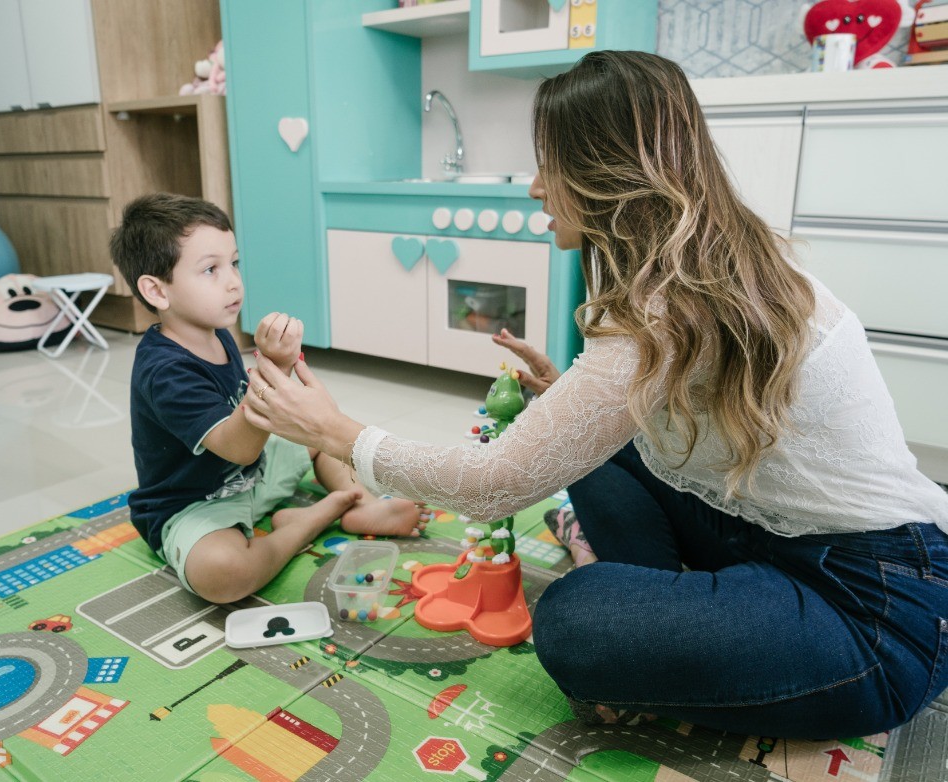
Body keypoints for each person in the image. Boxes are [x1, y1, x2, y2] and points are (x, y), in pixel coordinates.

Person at [240, 52, 948, 739]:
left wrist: (335, 431)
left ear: (606, 172)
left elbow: (495, 485)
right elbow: (659, 412)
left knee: (574, 621)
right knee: (595, 455)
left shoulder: (668, 313)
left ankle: (659, 626)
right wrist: (567, 400)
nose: (535, 187)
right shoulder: (704, 273)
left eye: (549, 164)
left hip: (879, 616)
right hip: (772, 539)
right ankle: (686, 621)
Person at [109, 193, 425, 605]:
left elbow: (255, 434)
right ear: (157, 291)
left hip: (253, 474)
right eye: (210, 269)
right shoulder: (164, 369)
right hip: (194, 501)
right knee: (222, 574)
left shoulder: (214, 330)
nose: (233, 281)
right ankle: (309, 521)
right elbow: (238, 446)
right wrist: (274, 366)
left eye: (234, 263)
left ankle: (364, 503)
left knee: (316, 432)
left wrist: (291, 393)